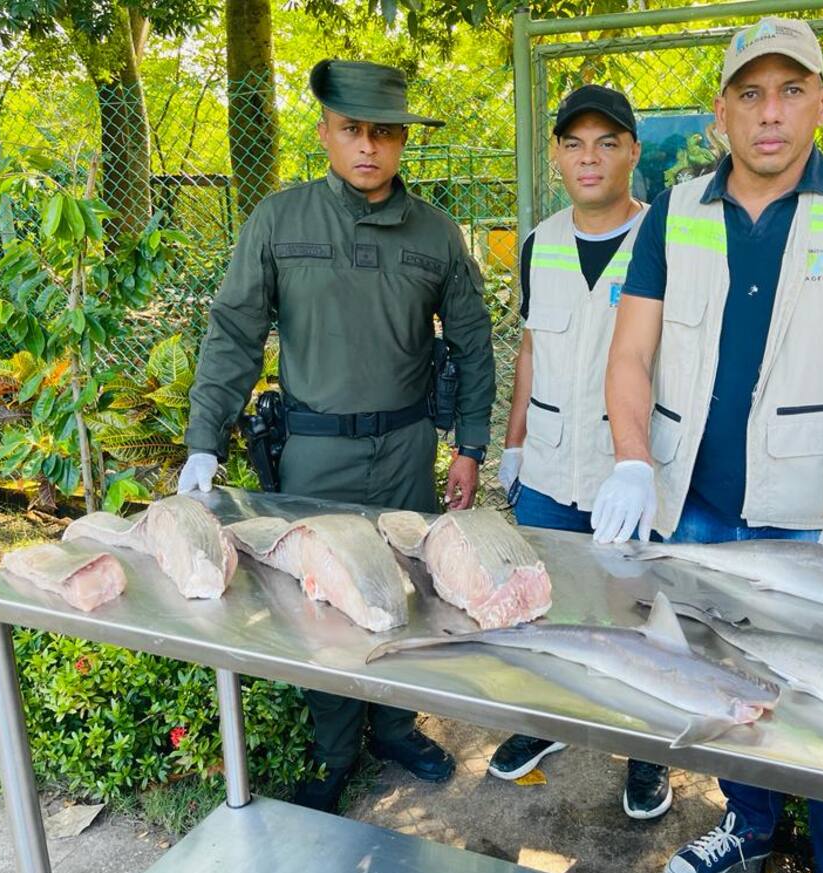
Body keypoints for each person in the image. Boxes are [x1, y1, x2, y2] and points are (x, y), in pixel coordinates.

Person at [591, 18, 823, 873]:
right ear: (721, 113)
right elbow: (630, 353)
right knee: (725, 686)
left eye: (790, 91)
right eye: (751, 93)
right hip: (700, 514)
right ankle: (748, 827)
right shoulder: (676, 210)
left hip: (816, 522)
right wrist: (633, 459)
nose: (770, 113)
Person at [178, 59, 496, 813]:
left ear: (401, 142)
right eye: (351, 130)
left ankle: (394, 725)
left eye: (384, 133)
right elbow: (233, 333)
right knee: (318, 598)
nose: (367, 147)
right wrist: (202, 441)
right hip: (313, 454)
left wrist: (472, 446)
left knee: (405, 588)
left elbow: (474, 341)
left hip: (407, 448)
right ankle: (332, 750)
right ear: (324, 131)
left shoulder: (438, 233)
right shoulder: (279, 222)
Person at [489, 85, 671, 819]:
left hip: (628, 467)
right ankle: (545, 723)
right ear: (558, 155)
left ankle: (647, 753)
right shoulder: (540, 242)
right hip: (549, 464)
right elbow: (532, 346)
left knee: (638, 615)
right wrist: (513, 442)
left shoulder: (668, 240)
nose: (589, 158)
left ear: (632, 150)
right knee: (545, 606)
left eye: (606, 142)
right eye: (574, 143)